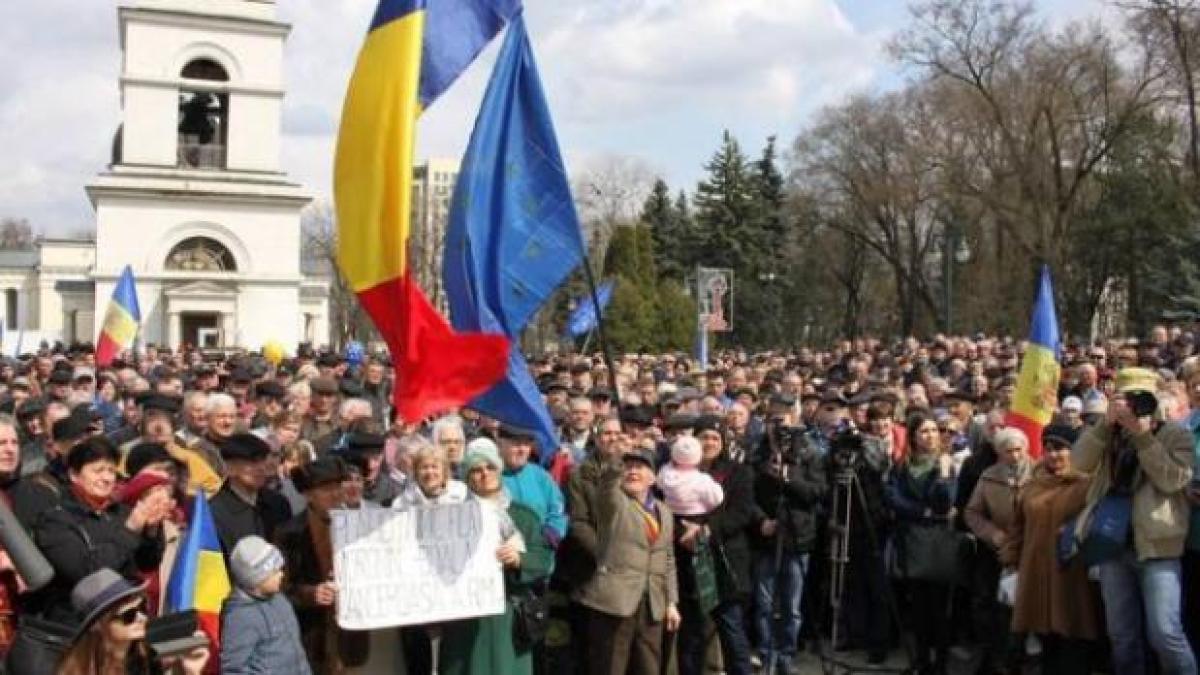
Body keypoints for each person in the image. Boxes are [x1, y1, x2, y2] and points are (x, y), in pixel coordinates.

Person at [1074, 367, 1197, 675]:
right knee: (1121, 634)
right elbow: (1079, 463)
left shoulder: (1174, 433)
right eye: (1127, 398)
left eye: (1143, 398)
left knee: (1165, 633)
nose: (1135, 405)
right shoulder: (1109, 433)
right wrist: (1105, 425)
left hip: (1158, 546)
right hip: (1112, 545)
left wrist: (1143, 437)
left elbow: (1174, 480)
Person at [439, 441, 554, 675]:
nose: (484, 474)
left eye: (490, 467)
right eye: (476, 470)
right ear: (468, 477)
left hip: (508, 613)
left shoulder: (522, 515)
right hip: (465, 616)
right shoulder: (451, 518)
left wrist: (520, 560)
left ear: (499, 470)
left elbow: (543, 558)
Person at [33, 435, 169, 622]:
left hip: (126, 616)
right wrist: (130, 530)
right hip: (81, 625)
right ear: (74, 475)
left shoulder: (121, 512)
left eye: (111, 471)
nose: (106, 478)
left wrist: (151, 531)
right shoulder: (56, 520)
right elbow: (85, 573)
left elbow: (147, 564)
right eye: (98, 471)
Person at [999, 425, 1099, 675]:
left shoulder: (1087, 485)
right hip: (1035, 572)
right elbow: (1017, 528)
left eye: (1061, 448)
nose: (1054, 455)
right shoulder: (1032, 486)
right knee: (1045, 641)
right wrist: (1010, 562)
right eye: (1049, 448)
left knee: (1072, 638)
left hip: (1071, 575)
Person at [575, 445, 680, 675]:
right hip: (615, 602)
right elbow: (606, 488)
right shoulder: (616, 504)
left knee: (649, 667)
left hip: (653, 603)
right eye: (628, 467)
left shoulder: (664, 511)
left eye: (640, 467)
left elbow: (668, 559)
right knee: (610, 666)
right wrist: (616, 461)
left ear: (653, 477)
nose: (633, 471)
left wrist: (671, 602)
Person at [750, 400, 825, 674]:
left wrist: (788, 477)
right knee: (765, 604)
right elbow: (747, 495)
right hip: (766, 537)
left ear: (793, 420)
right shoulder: (756, 452)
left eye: (782, 421)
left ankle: (786, 655)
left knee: (792, 606)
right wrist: (761, 520)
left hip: (797, 535)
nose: (777, 427)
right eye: (772, 420)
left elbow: (816, 493)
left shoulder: (808, 451)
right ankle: (767, 651)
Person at [276, 456, 368, 673]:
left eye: (338, 486)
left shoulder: (361, 526)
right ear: (308, 494)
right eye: (326, 488)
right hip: (312, 637)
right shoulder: (289, 534)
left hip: (353, 639)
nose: (336, 494)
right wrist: (311, 593)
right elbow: (280, 589)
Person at [885, 411, 957, 675]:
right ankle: (921, 660)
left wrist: (944, 476)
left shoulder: (944, 464)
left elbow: (945, 504)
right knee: (918, 607)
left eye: (934, 431)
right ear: (914, 437)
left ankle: (940, 664)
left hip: (937, 542)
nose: (931, 436)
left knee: (939, 607)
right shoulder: (903, 466)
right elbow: (893, 497)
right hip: (911, 539)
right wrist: (921, 511)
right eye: (924, 431)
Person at [963, 427, 1033, 675]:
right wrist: (992, 534)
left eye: (1018, 450)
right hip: (995, 550)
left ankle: (1020, 658)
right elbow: (972, 512)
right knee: (991, 606)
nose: (1014, 456)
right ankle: (994, 657)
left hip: (1028, 551)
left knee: (1022, 608)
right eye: (1008, 451)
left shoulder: (1039, 474)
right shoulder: (988, 476)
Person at [56, 568, 210, 675]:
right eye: (128, 615)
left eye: (143, 607)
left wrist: (190, 671)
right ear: (97, 626)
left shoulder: (148, 658)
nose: (141, 617)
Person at [221, 535, 312, 675]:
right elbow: (234, 669)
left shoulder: (279, 599)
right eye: (274, 572)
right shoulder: (240, 618)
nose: (281, 574)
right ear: (256, 578)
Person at [209, 432, 292, 556]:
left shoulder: (278, 503)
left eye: (263, 460)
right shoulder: (213, 513)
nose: (261, 468)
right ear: (229, 467)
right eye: (252, 462)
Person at [494, 426, 568, 544]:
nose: (522, 450)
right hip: (503, 549)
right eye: (516, 444)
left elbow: (557, 509)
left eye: (527, 444)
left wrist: (551, 534)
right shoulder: (490, 476)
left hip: (540, 550)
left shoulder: (540, 476)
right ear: (500, 444)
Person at [657, 435, 724, 517]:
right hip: (697, 517)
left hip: (670, 514)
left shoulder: (665, 472)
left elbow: (659, 484)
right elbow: (717, 498)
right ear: (698, 455)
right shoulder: (702, 480)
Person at [392, 438, 468, 508]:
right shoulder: (403, 502)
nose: (429, 472)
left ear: (444, 471)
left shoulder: (462, 493)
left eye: (434, 467)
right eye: (424, 467)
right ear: (416, 472)